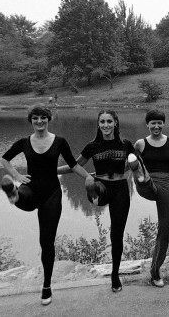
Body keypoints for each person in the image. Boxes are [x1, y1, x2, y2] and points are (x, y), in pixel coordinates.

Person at [0, 105, 91, 306]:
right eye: (35, 118)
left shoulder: (59, 142)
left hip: (51, 194)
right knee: (23, 198)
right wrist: (16, 175)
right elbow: (5, 159)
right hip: (30, 188)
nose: (39, 121)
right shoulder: (24, 142)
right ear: (31, 121)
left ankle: (47, 286)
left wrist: (89, 179)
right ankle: (13, 192)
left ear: (48, 119)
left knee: (46, 242)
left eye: (43, 118)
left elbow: (74, 165)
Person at [57, 110, 135, 292]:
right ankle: (92, 189)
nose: (106, 125)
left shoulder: (125, 144)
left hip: (121, 189)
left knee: (117, 233)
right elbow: (74, 166)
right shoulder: (92, 146)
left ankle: (115, 274)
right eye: (102, 122)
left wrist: (137, 171)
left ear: (116, 122)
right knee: (93, 183)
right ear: (98, 124)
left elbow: (136, 165)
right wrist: (49, 171)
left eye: (109, 121)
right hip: (100, 189)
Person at [132, 109, 169, 287]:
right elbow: (128, 167)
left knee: (165, 228)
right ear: (147, 125)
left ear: (163, 124)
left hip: (167, 183)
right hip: (148, 183)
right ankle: (144, 180)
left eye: (159, 122)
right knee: (143, 177)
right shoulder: (140, 144)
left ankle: (155, 271)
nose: (156, 126)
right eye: (153, 123)